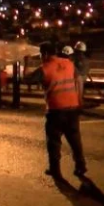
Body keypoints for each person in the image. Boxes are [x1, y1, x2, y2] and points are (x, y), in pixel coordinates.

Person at [23, 42, 87, 179]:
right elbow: (79, 79)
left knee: (53, 141)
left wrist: (26, 64)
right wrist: (79, 100)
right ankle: (81, 166)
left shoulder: (44, 68)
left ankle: (55, 170)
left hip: (56, 110)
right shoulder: (69, 63)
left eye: (41, 54)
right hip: (72, 108)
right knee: (75, 140)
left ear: (45, 54)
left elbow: (26, 80)